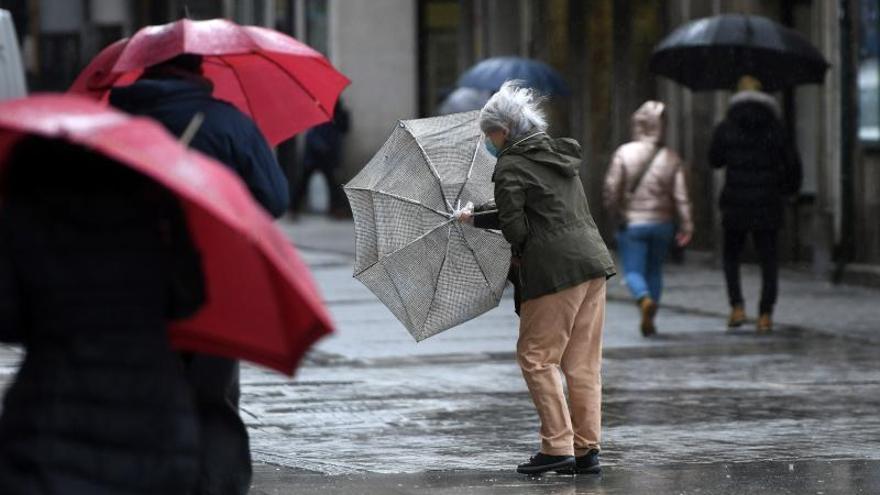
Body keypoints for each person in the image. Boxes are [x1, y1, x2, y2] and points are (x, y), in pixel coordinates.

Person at [109, 53, 290, 494]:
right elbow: (275, 197)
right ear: (199, 72)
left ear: (146, 70)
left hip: (132, 283)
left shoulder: (111, 122)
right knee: (212, 399)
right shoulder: (227, 123)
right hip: (215, 280)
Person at [0, 137, 204, 494]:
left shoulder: (21, 222)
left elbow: (7, 320)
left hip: (50, 422)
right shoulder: (150, 217)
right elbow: (188, 298)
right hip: (156, 421)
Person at [459, 81, 616, 475]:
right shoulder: (556, 155)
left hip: (553, 272)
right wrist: (476, 216)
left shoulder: (510, 164)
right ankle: (586, 449)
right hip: (592, 264)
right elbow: (540, 208)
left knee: (536, 358)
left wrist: (479, 220)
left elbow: (517, 229)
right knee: (582, 363)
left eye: (488, 134)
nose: (486, 142)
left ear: (504, 131)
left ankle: (556, 446)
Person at [708, 75, 802, 333]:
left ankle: (737, 306)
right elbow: (792, 163)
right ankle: (765, 314)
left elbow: (714, 159)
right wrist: (789, 190)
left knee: (731, 257)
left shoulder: (727, 125)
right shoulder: (776, 127)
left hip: (735, 201)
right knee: (769, 259)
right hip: (767, 201)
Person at [603, 101, 693, 337]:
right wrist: (687, 224)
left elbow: (612, 190)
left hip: (633, 224)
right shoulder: (671, 157)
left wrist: (616, 213)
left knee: (633, 271)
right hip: (663, 224)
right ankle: (651, 316)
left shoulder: (624, 153)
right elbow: (681, 196)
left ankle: (643, 300)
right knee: (654, 270)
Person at [294, 100, 350, 217]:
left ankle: (336, 208)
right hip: (314, 155)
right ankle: (294, 208)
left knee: (333, 183)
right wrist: (320, 146)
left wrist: (340, 118)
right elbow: (311, 134)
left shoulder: (338, 115)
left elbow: (344, 129)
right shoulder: (318, 113)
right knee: (304, 182)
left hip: (328, 155)